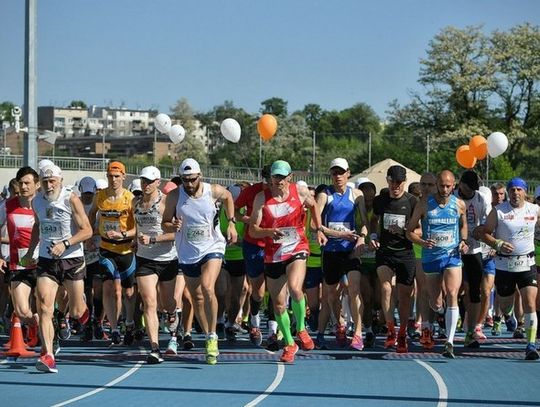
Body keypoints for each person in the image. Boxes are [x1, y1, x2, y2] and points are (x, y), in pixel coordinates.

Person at [162, 158, 237, 365]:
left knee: (207, 287)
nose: (189, 184)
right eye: (185, 180)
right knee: (196, 298)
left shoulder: (212, 190)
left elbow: (229, 197)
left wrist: (231, 223)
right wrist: (173, 225)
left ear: (199, 176)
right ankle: (207, 334)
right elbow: (165, 223)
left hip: (212, 246)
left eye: (192, 180)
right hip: (187, 251)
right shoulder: (174, 196)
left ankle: (213, 336)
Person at [250, 160, 325, 363]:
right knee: (279, 305)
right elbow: (252, 229)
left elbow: (314, 205)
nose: (279, 181)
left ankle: (301, 327)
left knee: (295, 287)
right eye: (276, 177)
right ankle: (290, 344)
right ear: (271, 178)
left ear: (289, 177)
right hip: (273, 254)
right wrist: (268, 232)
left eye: (283, 177)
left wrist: (318, 229)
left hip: (297, 247)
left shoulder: (299, 191)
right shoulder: (261, 199)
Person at [22, 164, 92, 373]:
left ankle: (81, 309)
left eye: (52, 181)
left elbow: (87, 230)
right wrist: (30, 252)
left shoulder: (71, 199)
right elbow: (38, 226)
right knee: (43, 305)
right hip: (47, 260)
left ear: (60, 180)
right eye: (44, 182)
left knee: (78, 311)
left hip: (72, 259)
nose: (49, 185)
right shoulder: (37, 202)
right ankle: (48, 354)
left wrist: (66, 244)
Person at [406, 170, 469, 358]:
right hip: (431, 257)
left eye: (448, 186)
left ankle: (449, 342)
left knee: (452, 293)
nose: (444, 189)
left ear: (453, 184)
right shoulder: (424, 204)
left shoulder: (459, 204)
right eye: (441, 185)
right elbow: (409, 231)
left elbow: (463, 225)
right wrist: (422, 242)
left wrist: (463, 241)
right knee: (435, 301)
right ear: (437, 185)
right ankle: (441, 312)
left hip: (452, 256)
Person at [481, 177, 540, 360]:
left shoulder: (535, 209)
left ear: (525, 192)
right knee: (505, 304)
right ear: (508, 192)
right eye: (512, 190)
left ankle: (531, 345)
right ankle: (508, 316)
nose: (515, 193)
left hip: (527, 263)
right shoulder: (498, 211)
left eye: (519, 190)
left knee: (530, 302)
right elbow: (484, 233)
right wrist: (497, 243)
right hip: (504, 264)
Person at [315, 158, 368, 351]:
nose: (338, 176)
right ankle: (341, 323)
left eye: (341, 172)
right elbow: (316, 224)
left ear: (348, 173)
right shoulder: (324, 195)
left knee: (354, 288)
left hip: (350, 250)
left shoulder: (357, 194)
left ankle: (358, 333)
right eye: (334, 173)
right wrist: (338, 234)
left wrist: (362, 237)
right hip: (331, 251)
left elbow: (363, 222)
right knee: (331, 295)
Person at [370, 165, 418, 353]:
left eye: (398, 183)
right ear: (388, 181)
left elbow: (419, 230)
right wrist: (373, 236)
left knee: (405, 297)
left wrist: (406, 231)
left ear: (404, 183)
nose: (395, 186)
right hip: (385, 251)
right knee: (385, 287)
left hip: (405, 252)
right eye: (392, 182)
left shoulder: (412, 202)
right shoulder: (380, 200)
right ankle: (390, 328)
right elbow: (374, 220)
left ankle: (402, 333)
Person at [132, 166, 178, 364]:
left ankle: (173, 316)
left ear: (158, 182)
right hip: (144, 259)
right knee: (149, 302)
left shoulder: (166, 203)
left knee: (167, 303)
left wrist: (153, 239)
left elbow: (175, 233)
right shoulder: (135, 202)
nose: (146, 184)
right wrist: (136, 240)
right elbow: (136, 227)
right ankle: (154, 348)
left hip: (167, 258)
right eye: (143, 180)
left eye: (150, 181)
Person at [88, 161, 137, 345]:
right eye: (110, 176)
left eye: (117, 176)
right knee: (108, 287)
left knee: (128, 292)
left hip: (125, 249)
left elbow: (137, 230)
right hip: (106, 248)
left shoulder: (131, 198)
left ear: (123, 177)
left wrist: (122, 234)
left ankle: (130, 322)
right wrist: (90, 234)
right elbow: (92, 213)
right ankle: (115, 328)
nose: (113, 180)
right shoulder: (100, 196)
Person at [234, 165, 278, 348]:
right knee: (259, 291)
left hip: (276, 245)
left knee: (276, 291)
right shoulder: (252, 191)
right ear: (264, 179)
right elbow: (235, 212)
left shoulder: (282, 193)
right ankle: (254, 320)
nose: (272, 184)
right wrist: (249, 220)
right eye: (268, 180)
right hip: (254, 245)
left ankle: (273, 332)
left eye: (274, 180)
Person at [0, 167, 40, 347]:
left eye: (27, 183)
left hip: (42, 262)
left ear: (37, 185)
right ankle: (36, 324)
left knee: (45, 305)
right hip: (18, 263)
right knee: (22, 311)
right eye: (21, 183)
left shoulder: (44, 205)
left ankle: (48, 344)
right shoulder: (7, 206)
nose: (24, 187)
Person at [455, 171, 491, 348]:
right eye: (469, 188)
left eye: (474, 189)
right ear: (461, 184)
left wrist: (482, 229)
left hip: (474, 250)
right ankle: (446, 321)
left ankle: (470, 331)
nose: (471, 192)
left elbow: (489, 222)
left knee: (474, 290)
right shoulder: (452, 197)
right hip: (453, 251)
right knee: (454, 289)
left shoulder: (480, 199)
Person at [78, 176, 104, 341]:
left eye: (91, 193)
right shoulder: (75, 205)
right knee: (85, 290)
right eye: (85, 193)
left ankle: (98, 321)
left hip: (96, 252)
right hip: (80, 254)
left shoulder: (99, 207)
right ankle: (87, 324)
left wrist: (92, 236)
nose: (88, 196)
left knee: (98, 288)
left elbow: (103, 227)